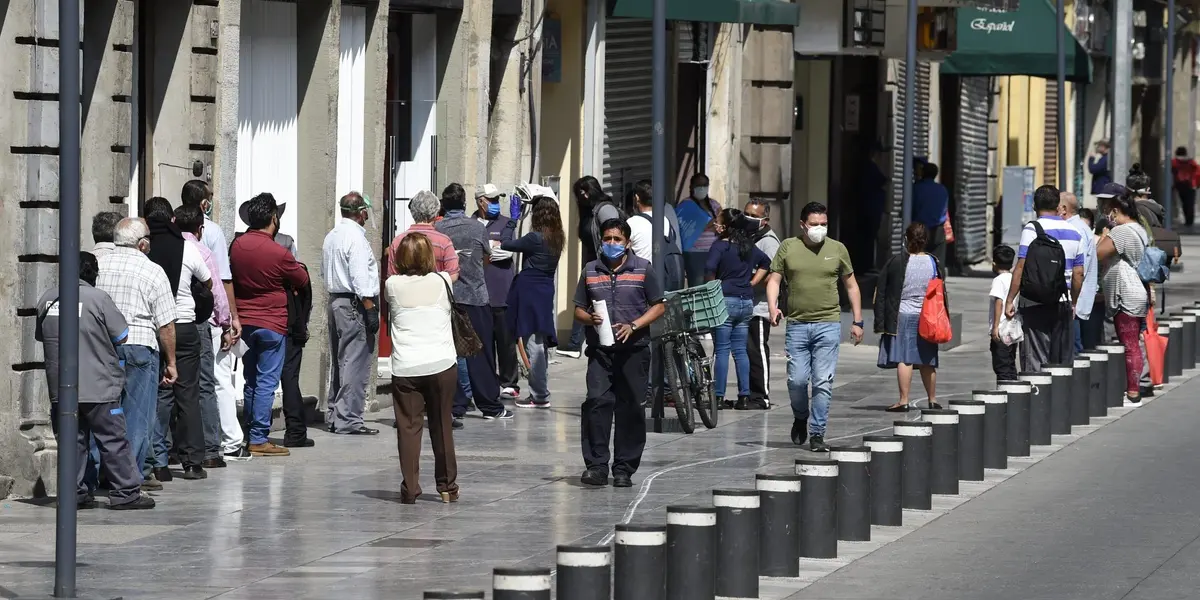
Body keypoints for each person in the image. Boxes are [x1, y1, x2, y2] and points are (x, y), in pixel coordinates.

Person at [37, 252, 155, 510]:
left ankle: (74, 492)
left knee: (72, 442)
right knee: (113, 441)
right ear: (93, 273)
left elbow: (40, 336)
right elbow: (122, 335)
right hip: (99, 385)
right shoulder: (98, 298)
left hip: (61, 388)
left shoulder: (47, 299)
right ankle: (126, 493)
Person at [574, 218, 666, 487]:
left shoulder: (643, 270)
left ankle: (624, 468)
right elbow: (578, 308)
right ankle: (596, 466)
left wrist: (634, 325)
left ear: (627, 243)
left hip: (634, 351)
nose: (611, 243)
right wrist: (589, 318)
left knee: (631, 409)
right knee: (596, 403)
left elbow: (659, 306)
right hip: (600, 352)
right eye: (607, 239)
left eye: (617, 239)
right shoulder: (590, 270)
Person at [767, 202, 864, 452]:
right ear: (803, 225)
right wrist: (772, 307)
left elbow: (851, 286)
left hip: (828, 324)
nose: (819, 229)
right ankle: (801, 416)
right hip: (797, 324)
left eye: (823, 224)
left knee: (823, 381)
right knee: (797, 381)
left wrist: (857, 320)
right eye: (814, 224)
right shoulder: (789, 247)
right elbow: (774, 280)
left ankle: (817, 433)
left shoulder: (837, 249)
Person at [96, 218, 178, 490]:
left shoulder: (99, 266)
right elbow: (165, 324)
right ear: (143, 244)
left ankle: (100, 473)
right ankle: (129, 479)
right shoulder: (152, 271)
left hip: (103, 348)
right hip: (140, 347)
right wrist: (171, 362)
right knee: (137, 416)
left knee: (102, 413)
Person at [230, 193, 310, 456]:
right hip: (272, 323)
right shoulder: (279, 252)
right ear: (273, 218)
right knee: (266, 382)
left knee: (250, 380)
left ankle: (250, 432)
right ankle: (258, 437)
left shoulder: (237, 246)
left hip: (244, 320)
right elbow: (301, 279)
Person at [384, 234, 460, 504]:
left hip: (406, 365)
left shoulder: (392, 284)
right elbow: (454, 273)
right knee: (442, 426)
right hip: (441, 362)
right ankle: (447, 486)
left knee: (408, 428)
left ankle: (411, 487)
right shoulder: (441, 281)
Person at [144, 197, 212, 481]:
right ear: (172, 219)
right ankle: (193, 462)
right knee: (188, 395)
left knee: (159, 396)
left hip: (153, 328)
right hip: (184, 326)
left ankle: (158, 462)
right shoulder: (186, 247)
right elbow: (208, 281)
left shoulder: (144, 250)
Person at [436, 183, 514, 424]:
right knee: (481, 353)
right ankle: (489, 405)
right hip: (476, 297)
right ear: (464, 203)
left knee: (450, 354)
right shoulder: (476, 228)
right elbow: (487, 257)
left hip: (447, 298)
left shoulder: (437, 229)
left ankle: (455, 403)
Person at [182, 180, 248, 461]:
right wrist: (231, 318)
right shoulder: (212, 231)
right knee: (219, 378)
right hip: (208, 317)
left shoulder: (174, 228)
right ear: (204, 203)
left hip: (180, 317)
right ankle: (230, 439)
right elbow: (223, 278)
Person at [174, 204, 233, 469]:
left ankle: (170, 449)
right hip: (198, 323)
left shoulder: (166, 248)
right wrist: (225, 322)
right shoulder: (201, 251)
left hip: (166, 322)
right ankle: (210, 448)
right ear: (200, 228)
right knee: (204, 385)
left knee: (169, 386)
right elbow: (216, 290)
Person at [1004, 185, 1086, 372]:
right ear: (1058, 206)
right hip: (1062, 303)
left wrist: (1010, 299)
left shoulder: (1032, 229)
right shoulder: (1074, 232)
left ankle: (1036, 397)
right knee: (1060, 361)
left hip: (1034, 302)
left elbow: (1021, 266)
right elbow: (1078, 274)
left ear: (1034, 205)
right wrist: (1074, 301)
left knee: (1035, 359)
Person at [321, 192, 381, 436]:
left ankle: (337, 413)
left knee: (341, 361)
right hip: (354, 303)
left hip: (337, 301)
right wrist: (370, 308)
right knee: (355, 361)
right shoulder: (355, 238)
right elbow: (359, 276)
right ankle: (349, 419)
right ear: (361, 212)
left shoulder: (332, 236)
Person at [875, 223, 947, 412]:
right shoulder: (933, 262)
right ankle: (932, 399)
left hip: (903, 315)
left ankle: (904, 400)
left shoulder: (897, 262)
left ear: (906, 239)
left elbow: (883, 290)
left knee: (905, 358)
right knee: (928, 360)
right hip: (927, 316)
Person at [504, 195, 565, 409]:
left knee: (534, 344)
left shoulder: (534, 238)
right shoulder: (557, 237)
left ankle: (539, 395)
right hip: (545, 290)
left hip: (529, 290)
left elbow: (506, 243)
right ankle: (540, 390)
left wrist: (513, 219)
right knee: (540, 341)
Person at [706, 208, 770, 410]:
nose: (715, 224)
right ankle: (744, 396)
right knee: (741, 351)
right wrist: (752, 282)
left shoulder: (720, 247)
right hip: (746, 303)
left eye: (718, 221)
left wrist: (711, 290)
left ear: (726, 226)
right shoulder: (748, 246)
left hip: (725, 300)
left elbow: (709, 270)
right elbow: (766, 262)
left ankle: (718, 397)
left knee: (723, 349)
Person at [1096, 192, 1150, 403]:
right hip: (1136, 291)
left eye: (1109, 211)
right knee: (1132, 342)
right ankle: (1132, 387)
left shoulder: (1122, 231)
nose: (1107, 215)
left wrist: (1105, 233)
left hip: (1125, 293)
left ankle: (1133, 391)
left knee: (1129, 343)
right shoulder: (1139, 229)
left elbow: (1099, 252)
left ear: (1116, 211)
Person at [475, 184, 522, 400]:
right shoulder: (471, 224)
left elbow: (506, 247)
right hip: (479, 294)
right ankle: (488, 382)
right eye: (491, 200)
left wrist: (497, 246)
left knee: (506, 341)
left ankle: (509, 382)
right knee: (483, 344)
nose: (495, 204)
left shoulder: (506, 222)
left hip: (503, 292)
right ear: (480, 201)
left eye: (497, 200)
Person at [744, 200, 780, 410]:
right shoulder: (748, 236)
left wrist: (750, 280)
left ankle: (761, 395)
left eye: (753, 216)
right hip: (745, 303)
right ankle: (747, 394)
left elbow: (774, 276)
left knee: (757, 349)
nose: (747, 218)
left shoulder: (769, 242)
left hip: (759, 306)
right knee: (746, 351)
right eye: (746, 214)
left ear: (764, 220)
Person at [387, 190, 460, 280]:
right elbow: (452, 276)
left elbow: (392, 276)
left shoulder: (398, 241)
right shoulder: (444, 241)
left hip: (406, 293)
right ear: (436, 214)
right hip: (434, 292)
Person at [1059, 192, 1099, 354]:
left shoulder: (1075, 230)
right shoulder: (1079, 227)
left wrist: (1072, 301)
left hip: (1073, 300)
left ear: (1063, 209)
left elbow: (1078, 271)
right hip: (1074, 299)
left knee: (1072, 349)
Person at [627, 180, 684, 291]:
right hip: (666, 280)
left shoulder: (632, 223)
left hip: (644, 281)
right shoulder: (665, 220)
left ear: (637, 198)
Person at [681, 174, 722, 287]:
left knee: (712, 285)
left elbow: (722, 222)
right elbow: (693, 226)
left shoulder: (714, 204)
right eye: (699, 185)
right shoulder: (686, 204)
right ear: (692, 186)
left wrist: (710, 223)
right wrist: (710, 222)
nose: (702, 188)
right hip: (694, 252)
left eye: (704, 185)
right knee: (697, 285)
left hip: (713, 250)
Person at [989, 245, 1018, 382]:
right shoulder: (1014, 279)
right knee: (1010, 363)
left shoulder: (998, 280)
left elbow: (999, 302)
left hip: (1001, 330)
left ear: (994, 264)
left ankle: (1006, 394)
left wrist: (995, 327)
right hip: (1012, 329)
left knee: (1001, 366)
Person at [913, 161, 950, 266]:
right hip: (938, 229)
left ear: (923, 173)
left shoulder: (916, 188)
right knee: (937, 262)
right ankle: (937, 282)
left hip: (920, 229)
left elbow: (911, 207)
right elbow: (944, 210)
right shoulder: (942, 189)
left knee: (918, 261)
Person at [1172, 147, 1199, 227]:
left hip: (1180, 184)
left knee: (1184, 203)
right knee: (1190, 203)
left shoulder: (1174, 162)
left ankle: (1187, 220)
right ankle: (1189, 221)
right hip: (1191, 185)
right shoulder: (1191, 162)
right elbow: (1197, 172)